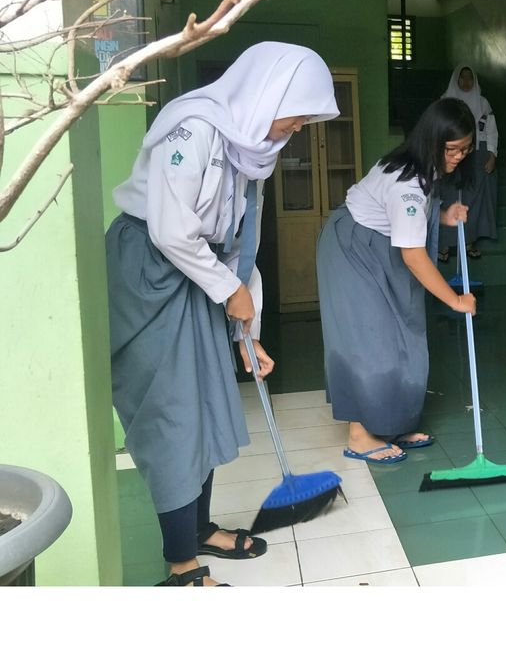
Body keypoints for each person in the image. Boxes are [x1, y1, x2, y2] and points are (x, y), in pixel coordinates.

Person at [107, 42, 340, 587]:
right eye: (300, 112)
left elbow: (241, 247)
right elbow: (168, 229)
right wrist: (227, 289)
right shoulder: (191, 128)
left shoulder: (253, 150)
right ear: (270, 93)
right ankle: (181, 567)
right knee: (173, 416)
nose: (300, 127)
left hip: (199, 273)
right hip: (151, 269)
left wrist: (246, 331)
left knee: (208, 403)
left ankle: (198, 530)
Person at [318, 97, 477, 466]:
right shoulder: (406, 179)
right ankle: (360, 434)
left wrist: (443, 214)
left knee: (404, 333)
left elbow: (411, 216)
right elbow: (413, 254)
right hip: (352, 248)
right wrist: (454, 300)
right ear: (433, 141)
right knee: (368, 337)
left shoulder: (423, 167)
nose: (458, 157)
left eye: (465, 150)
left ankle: (390, 423)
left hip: (382, 246)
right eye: (452, 149)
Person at [437, 65, 498, 261]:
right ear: (456, 80)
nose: (466, 82)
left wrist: (492, 154)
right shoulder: (446, 102)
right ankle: (444, 244)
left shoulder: (483, 103)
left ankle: (469, 242)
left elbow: (491, 130)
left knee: (473, 197)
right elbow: (438, 129)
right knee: (448, 195)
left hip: (477, 152)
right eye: (462, 78)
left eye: (469, 78)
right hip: (450, 152)